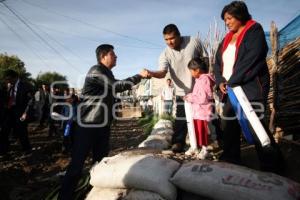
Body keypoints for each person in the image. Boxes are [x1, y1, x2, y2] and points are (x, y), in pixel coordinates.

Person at [58, 44, 148, 199]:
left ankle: (93, 194)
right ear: (103, 56)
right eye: (113, 54)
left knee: (100, 164)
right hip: (87, 125)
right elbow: (116, 86)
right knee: (76, 167)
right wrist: (139, 76)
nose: (116, 56)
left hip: (101, 126)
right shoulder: (96, 71)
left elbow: (115, 86)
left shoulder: (107, 74)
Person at [213, 1, 283, 173]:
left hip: (249, 87)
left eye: (229, 18)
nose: (227, 23)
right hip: (230, 89)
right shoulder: (226, 39)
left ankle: (272, 165)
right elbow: (217, 62)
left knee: (255, 125)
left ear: (240, 16)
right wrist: (221, 80)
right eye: (225, 20)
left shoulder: (254, 31)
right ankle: (231, 158)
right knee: (229, 124)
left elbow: (254, 57)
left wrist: (234, 80)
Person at [146, 24, 207, 152]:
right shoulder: (165, 54)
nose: (170, 42)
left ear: (179, 35)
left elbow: (206, 59)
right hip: (182, 93)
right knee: (181, 119)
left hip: (200, 90)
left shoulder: (194, 42)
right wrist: (151, 73)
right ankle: (178, 143)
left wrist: (206, 80)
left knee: (207, 117)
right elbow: (162, 72)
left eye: (172, 38)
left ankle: (209, 141)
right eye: (166, 40)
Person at [184, 58, 215, 159]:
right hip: (198, 111)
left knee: (202, 131)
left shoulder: (204, 79)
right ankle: (201, 148)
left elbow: (203, 98)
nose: (191, 73)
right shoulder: (199, 80)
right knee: (198, 131)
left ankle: (205, 149)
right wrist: (190, 95)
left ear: (197, 70)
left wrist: (190, 97)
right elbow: (198, 94)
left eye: (191, 71)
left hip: (202, 111)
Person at [0, 69, 33, 156]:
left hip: (20, 112)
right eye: (6, 79)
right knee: (5, 130)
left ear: (15, 78)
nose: (8, 81)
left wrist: (25, 113)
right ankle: (4, 149)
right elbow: (4, 98)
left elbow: (30, 101)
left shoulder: (25, 86)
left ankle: (27, 149)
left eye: (9, 78)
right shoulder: (8, 86)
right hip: (9, 111)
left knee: (21, 130)